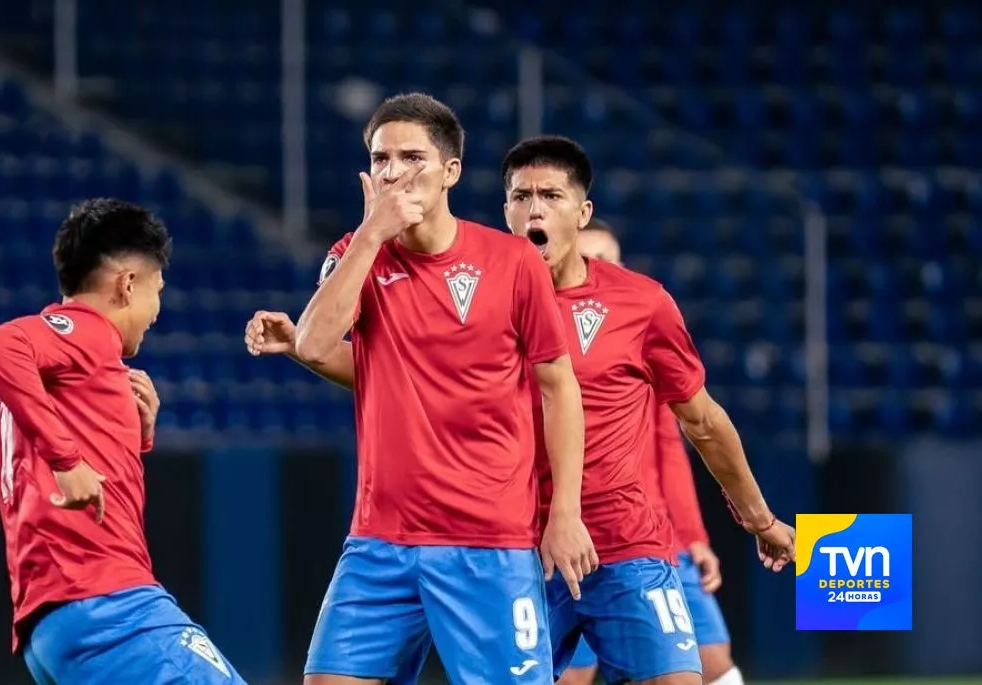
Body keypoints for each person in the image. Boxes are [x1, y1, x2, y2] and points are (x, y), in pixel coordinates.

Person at [281, 92, 592, 685]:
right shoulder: (356, 254)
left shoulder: (513, 262)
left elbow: (559, 388)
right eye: (381, 159)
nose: (393, 173)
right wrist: (370, 236)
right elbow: (313, 345)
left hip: (488, 541)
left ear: (450, 171)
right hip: (379, 540)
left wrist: (564, 513)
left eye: (412, 158)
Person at [501, 135, 793, 685]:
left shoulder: (642, 303)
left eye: (551, 196)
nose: (535, 209)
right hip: (519, 552)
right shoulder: (482, 302)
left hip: (627, 546)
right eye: (521, 196)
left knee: (694, 673)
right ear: (507, 211)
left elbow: (702, 422)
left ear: (582, 212)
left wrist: (759, 518)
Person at [0, 199, 246, 684]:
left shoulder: (63, 367)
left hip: (54, 623)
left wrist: (139, 436)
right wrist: (67, 460)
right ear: (127, 284)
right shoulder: (84, 332)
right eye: (157, 289)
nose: (157, 312)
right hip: (107, 607)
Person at [559, 222, 743, 685]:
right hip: (570, 540)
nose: (597, 267)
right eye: (587, 256)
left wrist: (692, 536)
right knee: (572, 676)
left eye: (608, 258)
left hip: (650, 538)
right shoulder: (544, 345)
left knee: (713, 662)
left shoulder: (640, 339)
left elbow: (670, 452)